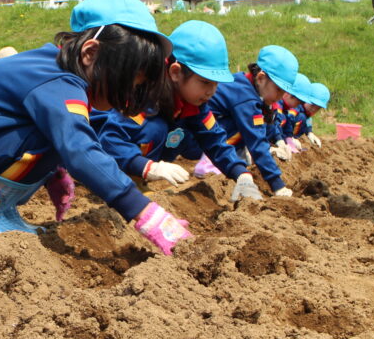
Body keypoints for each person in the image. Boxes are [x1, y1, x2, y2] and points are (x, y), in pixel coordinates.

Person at [0, 0, 193, 255]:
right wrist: (145, 214)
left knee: (61, 131)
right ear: (90, 53)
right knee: (57, 133)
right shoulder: (58, 83)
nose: (129, 91)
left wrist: (51, 169)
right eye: (127, 78)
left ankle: (1, 210)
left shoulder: (53, 70)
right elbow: (80, 149)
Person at [91, 20, 264, 203]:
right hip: (97, 147)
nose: (211, 92)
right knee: (155, 129)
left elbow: (214, 140)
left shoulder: (194, 103)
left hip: (135, 142)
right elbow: (110, 138)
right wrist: (147, 167)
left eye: (216, 84)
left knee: (185, 133)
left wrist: (241, 173)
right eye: (205, 82)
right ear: (175, 72)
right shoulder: (143, 93)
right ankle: (124, 179)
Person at [207, 45, 299, 197]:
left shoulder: (247, 86)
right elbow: (256, 141)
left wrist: (279, 141)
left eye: (284, 92)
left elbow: (264, 127)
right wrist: (277, 185)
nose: (280, 96)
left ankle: (236, 156)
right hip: (199, 139)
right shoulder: (246, 98)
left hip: (209, 129)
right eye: (278, 90)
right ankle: (211, 163)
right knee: (248, 130)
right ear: (261, 78)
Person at [297, 81, 330, 148]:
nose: (314, 109)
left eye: (318, 108)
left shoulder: (306, 114)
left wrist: (310, 133)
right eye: (313, 105)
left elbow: (308, 119)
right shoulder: (295, 110)